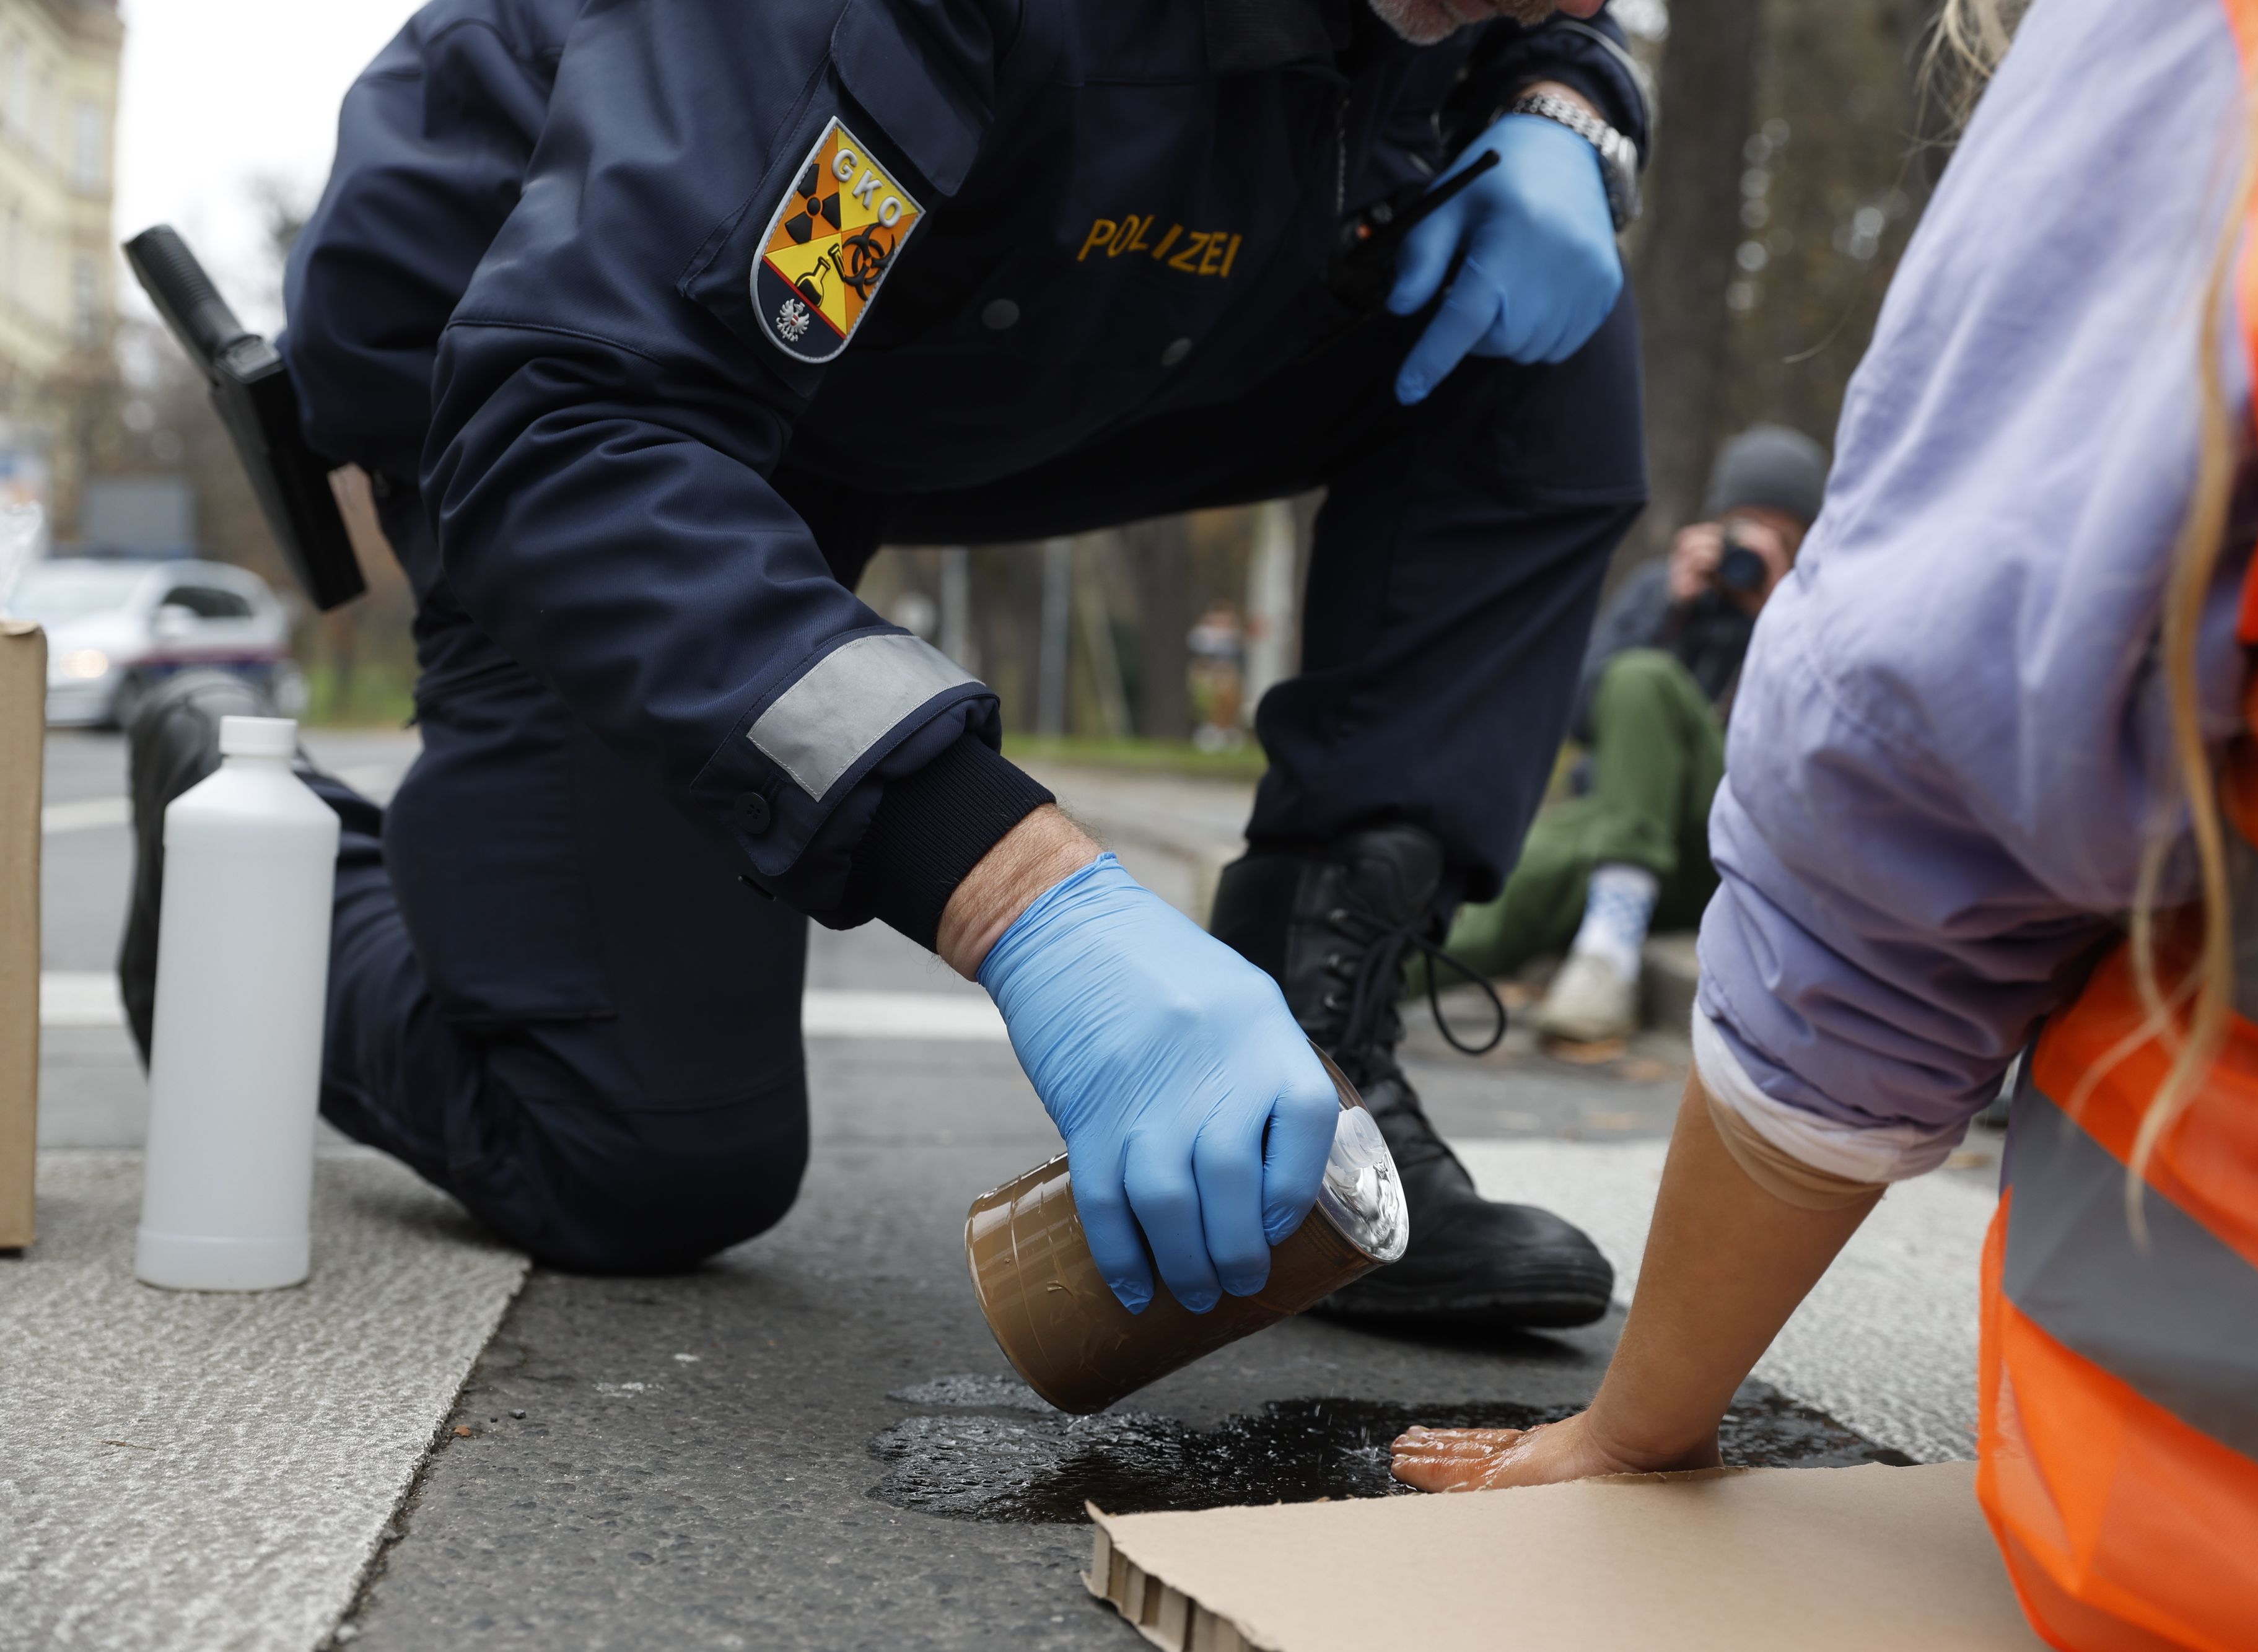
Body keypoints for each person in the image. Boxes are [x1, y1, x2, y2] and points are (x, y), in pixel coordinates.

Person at [118, 0, 1653, 1329]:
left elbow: (1531, 55)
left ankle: (1317, 1069)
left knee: (1537, 322)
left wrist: (1564, 105)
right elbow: (572, 429)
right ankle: (238, 877)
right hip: (567, 373)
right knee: (643, 1154)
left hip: (961, 322)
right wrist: (1027, 899)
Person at [1391, 0, 2258, 1642]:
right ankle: (1520, 936)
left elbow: (1895, 790)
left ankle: (1581, 939)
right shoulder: (1667, 619)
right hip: (1665, 816)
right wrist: (1682, 605)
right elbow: (1628, 703)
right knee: (1637, 719)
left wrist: (1636, 1424)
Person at [1443, 426, 1824, 1042]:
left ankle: (1610, 948)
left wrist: (1778, 612)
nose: (1753, 551)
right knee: (1516, 883)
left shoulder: (1815, 608)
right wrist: (1671, 611)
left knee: (1644, 678)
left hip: (1735, 838)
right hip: (1626, 826)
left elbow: (1819, 742)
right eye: (1744, 528)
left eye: (1779, 536)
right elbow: (1576, 715)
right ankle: (1334, 1001)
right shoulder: (1662, 589)